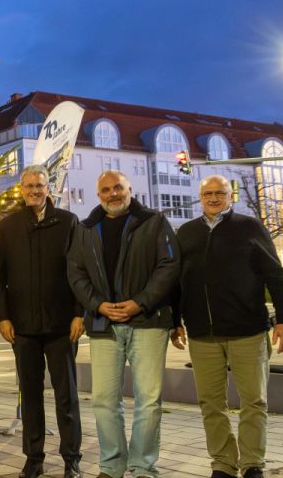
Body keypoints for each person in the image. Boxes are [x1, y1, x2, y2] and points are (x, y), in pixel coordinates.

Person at [171, 175, 283, 478]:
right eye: (208, 194)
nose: (213, 198)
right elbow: (175, 282)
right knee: (211, 404)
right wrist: (175, 321)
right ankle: (223, 464)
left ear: (231, 196)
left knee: (254, 400)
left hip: (248, 331)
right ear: (200, 197)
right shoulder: (186, 233)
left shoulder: (250, 228)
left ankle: (252, 463)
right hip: (203, 334)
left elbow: (276, 276)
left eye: (220, 193)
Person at [67, 170, 180, 478]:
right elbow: (75, 273)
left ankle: (143, 466)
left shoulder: (155, 222)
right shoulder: (86, 228)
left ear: (130, 189)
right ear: (98, 194)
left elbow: (169, 266)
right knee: (103, 400)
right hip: (104, 324)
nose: (113, 193)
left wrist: (140, 302)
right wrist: (97, 305)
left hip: (148, 321)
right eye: (106, 189)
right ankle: (112, 466)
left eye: (118, 187)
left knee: (149, 400)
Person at [0, 165, 85, 478]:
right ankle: (34, 458)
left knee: (66, 396)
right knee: (30, 396)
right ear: (21, 189)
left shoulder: (68, 222)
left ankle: (71, 458)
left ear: (49, 188)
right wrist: (2, 316)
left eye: (40, 185)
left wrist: (78, 313)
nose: (35, 190)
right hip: (23, 328)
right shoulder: (9, 225)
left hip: (61, 326)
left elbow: (79, 271)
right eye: (29, 185)